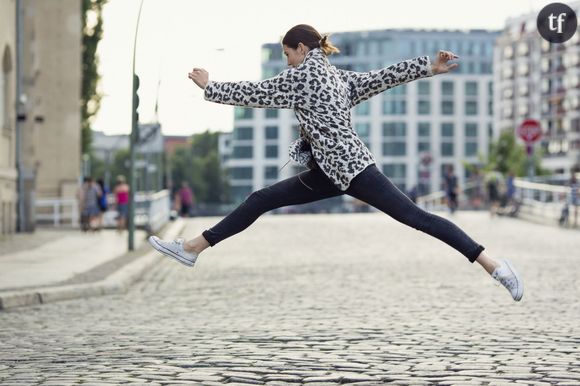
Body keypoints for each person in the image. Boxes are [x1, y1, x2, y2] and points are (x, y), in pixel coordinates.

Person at [149, 24, 523, 301]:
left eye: (286, 55)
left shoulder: (304, 77)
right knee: (261, 199)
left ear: (300, 49)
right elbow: (382, 78)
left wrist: (210, 86)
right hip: (329, 172)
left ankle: (495, 265)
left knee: (418, 219)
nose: (287, 62)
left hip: (355, 171)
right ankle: (193, 248)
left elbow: (256, 92)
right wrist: (428, 66)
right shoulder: (337, 77)